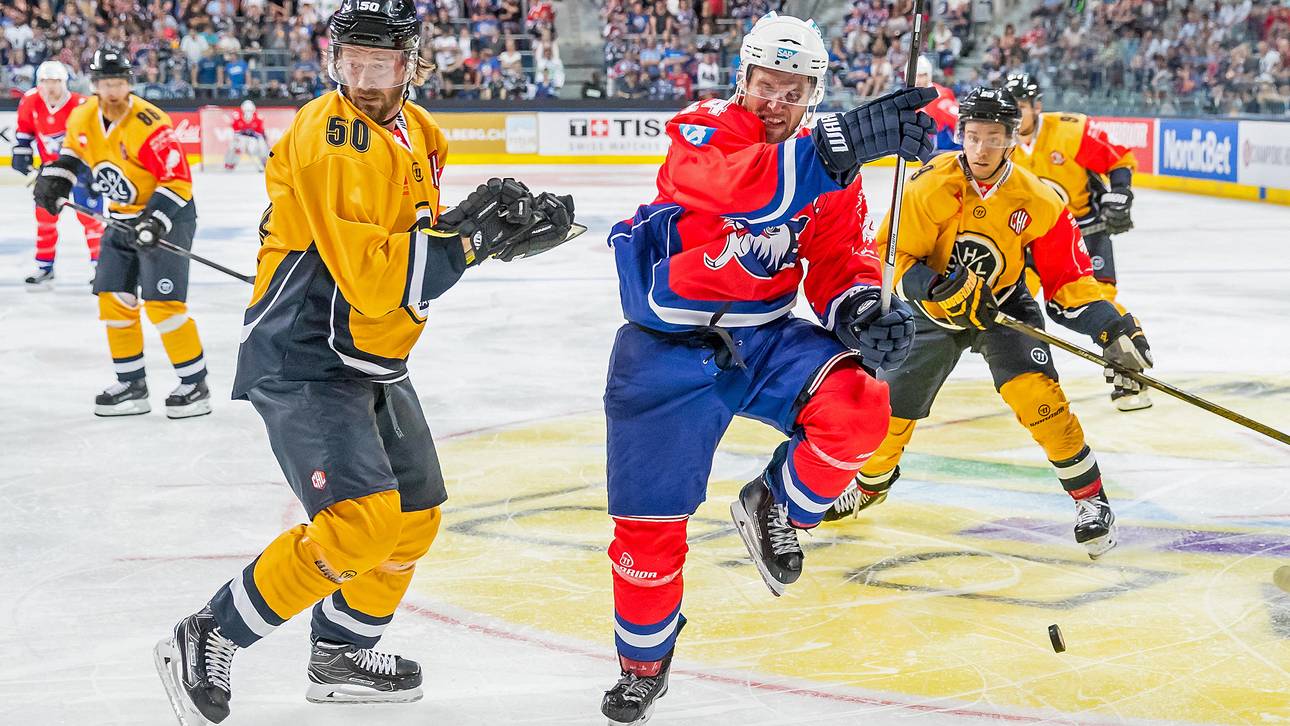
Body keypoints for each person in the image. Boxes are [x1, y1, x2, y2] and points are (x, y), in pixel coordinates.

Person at [150, 1, 576, 724]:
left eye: (382, 65)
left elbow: (411, 236)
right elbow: (378, 278)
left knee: (412, 520)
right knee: (360, 523)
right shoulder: (331, 138)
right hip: (307, 351)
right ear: (333, 62)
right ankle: (209, 632)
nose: (367, 79)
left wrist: (490, 233)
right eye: (354, 64)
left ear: (411, 66)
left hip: (371, 351)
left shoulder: (420, 131)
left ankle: (340, 653)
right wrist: (471, 245)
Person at [600, 12, 935, 725]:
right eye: (765, 85)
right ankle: (644, 664)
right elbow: (735, 189)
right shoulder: (702, 131)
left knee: (861, 404)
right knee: (648, 529)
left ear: (812, 92)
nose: (775, 102)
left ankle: (778, 502)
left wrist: (858, 311)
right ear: (742, 80)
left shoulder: (828, 167)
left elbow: (841, 257)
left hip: (768, 339)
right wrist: (833, 150)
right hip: (665, 350)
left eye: (793, 90)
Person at [821, 88, 1153, 563]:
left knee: (1039, 398)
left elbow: (1069, 284)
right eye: (972, 137)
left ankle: (1091, 501)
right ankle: (870, 485)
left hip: (1003, 307)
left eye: (992, 138)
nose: (979, 149)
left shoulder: (1038, 199)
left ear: (1011, 140)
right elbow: (892, 257)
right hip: (933, 315)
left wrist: (1113, 328)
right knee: (890, 412)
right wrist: (932, 288)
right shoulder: (927, 185)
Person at [33, 48, 213, 419]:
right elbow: (73, 156)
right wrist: (56, 180)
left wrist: (153, 221)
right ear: (95, 85)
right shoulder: (82, 116)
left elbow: (178, 182)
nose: (112, 90)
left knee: (163, 307)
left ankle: (195, 384)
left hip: (168, 218)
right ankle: (132, 383)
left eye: (119, 83)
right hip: (119, 219)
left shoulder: (151, 123)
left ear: (129, 84)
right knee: (113, 299)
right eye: (105, 83)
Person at [1003, 72, 1146, 410]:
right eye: (1010, 107)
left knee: (1099, 301)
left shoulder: (1070, 129)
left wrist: (1121, 192)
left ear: (1037, 106)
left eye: (1021, 106)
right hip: (1033, 241)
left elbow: (1118, 158)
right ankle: (1027, 377)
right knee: (1013, 302)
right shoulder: (1000, 142)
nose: (1014, 114)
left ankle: (1131, 367)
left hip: (1084, 234)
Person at [11, 60, 105, 290]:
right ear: (38, 83)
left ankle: (101, 268)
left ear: (64, 82)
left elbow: (98, 140)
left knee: (91, 219)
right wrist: (21, 154)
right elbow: (25, 130)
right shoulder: (31, 100)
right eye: (45, 81)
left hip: (82, 170)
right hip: (51, 171)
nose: (50, 87)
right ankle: (44, 266)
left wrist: (96, 172)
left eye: (55, 81)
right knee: (45, 218)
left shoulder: (81, 104)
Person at [915, 55, 960, 153]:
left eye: (922, 75)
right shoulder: (908, 99)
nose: (918, 80)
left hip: (945, 152)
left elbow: (958, 118)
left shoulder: (941, 94)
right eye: (915, 75)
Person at [224, 98, 269, 171]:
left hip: (253, 138)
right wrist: (242, 133)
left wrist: (254, 134)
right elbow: (235, 132)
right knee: (234, 146)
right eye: (246, 111)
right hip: (241, 138)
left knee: (261, 146)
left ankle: (264, 162)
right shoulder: (237, 117)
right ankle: (230, 163)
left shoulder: (259, 118)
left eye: (250, 111)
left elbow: (260, 133)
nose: (248, 113)